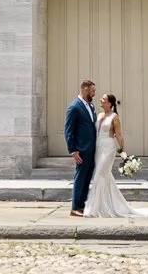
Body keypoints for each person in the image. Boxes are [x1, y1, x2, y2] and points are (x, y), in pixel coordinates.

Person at [83, 92, 132, 219]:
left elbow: (119, 135)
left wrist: (123, 151)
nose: (100, 99)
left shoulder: (115, 117)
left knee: (99, 174)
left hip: (108, 148)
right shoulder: (99, 115)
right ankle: (108, 205)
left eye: (103, 99)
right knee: (104, 176)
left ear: (109, 103)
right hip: (98, 148)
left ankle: (93, 208)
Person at [64, 78, 97, 217]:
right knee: (80, 178)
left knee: (87, 178)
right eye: (93, 91)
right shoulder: (74, 107)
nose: (94, 93)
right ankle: (75, 207)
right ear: (85, 89)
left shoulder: (91, 106)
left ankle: (81, 206)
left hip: (92, 149)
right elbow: (69, 131)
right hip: (81, 150)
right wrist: (73, 150)